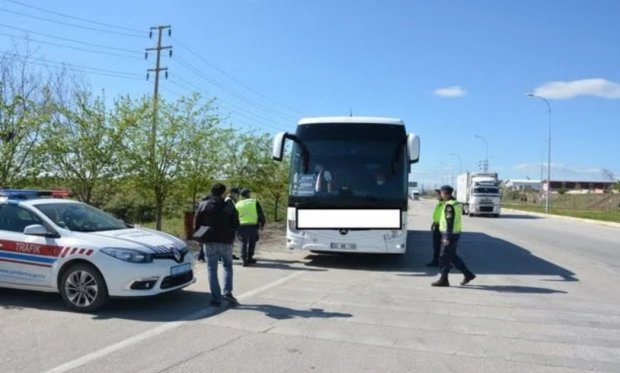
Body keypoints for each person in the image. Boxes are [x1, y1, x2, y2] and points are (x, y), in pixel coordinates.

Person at [194, 183, 240, 306]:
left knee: (211, 269)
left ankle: (216, 298)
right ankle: (227, 293)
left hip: (210, 242)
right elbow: (236, 224)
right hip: (226, 241)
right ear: (223, 193)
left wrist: (201, 240)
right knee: (227, 266)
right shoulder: (229, 206)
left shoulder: (203, 205)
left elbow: (196, 224)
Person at [432, 185, 476, 287]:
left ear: (445, 193)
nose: (440, 194)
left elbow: (450, 221)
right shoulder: (455, 203)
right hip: (455, 233)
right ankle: (468, 274)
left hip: (449, 234)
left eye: (441, 192)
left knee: (443, 257)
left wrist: (446, 237)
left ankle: (444, 279)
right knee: (451, 256)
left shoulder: (449, 206)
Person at [235, 188, 266, 266]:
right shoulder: (254, 202)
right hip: (252, 225)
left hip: (241, 226)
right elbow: (260, 214)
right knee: (252, 242)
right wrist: (262, 224)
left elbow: (235, 216)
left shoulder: (238, 204)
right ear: (248, 194)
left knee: (243, 242)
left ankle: (243, 259)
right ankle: (249, 258)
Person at [427, 189, 444, 267]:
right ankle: (436, 261)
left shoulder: (446, 204)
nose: (437, 196)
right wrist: (434, 223)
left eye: (438, 194)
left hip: (443, 227)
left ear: (442, 194)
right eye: (436, 194)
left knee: (443, 247)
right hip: (437, 226)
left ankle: (444, 262)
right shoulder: (439, 203)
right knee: (436, 246)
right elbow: (438, 215)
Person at [225, 187, 241, 261]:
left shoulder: (230, 200)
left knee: (230, 241)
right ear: (232, 193)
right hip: (230, 226)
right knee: (229, 241)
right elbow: (229, 214)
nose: (237, 196)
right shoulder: (229, 201)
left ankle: (229, 254)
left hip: (230, 225)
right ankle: (228, 255)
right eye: (237, 194)